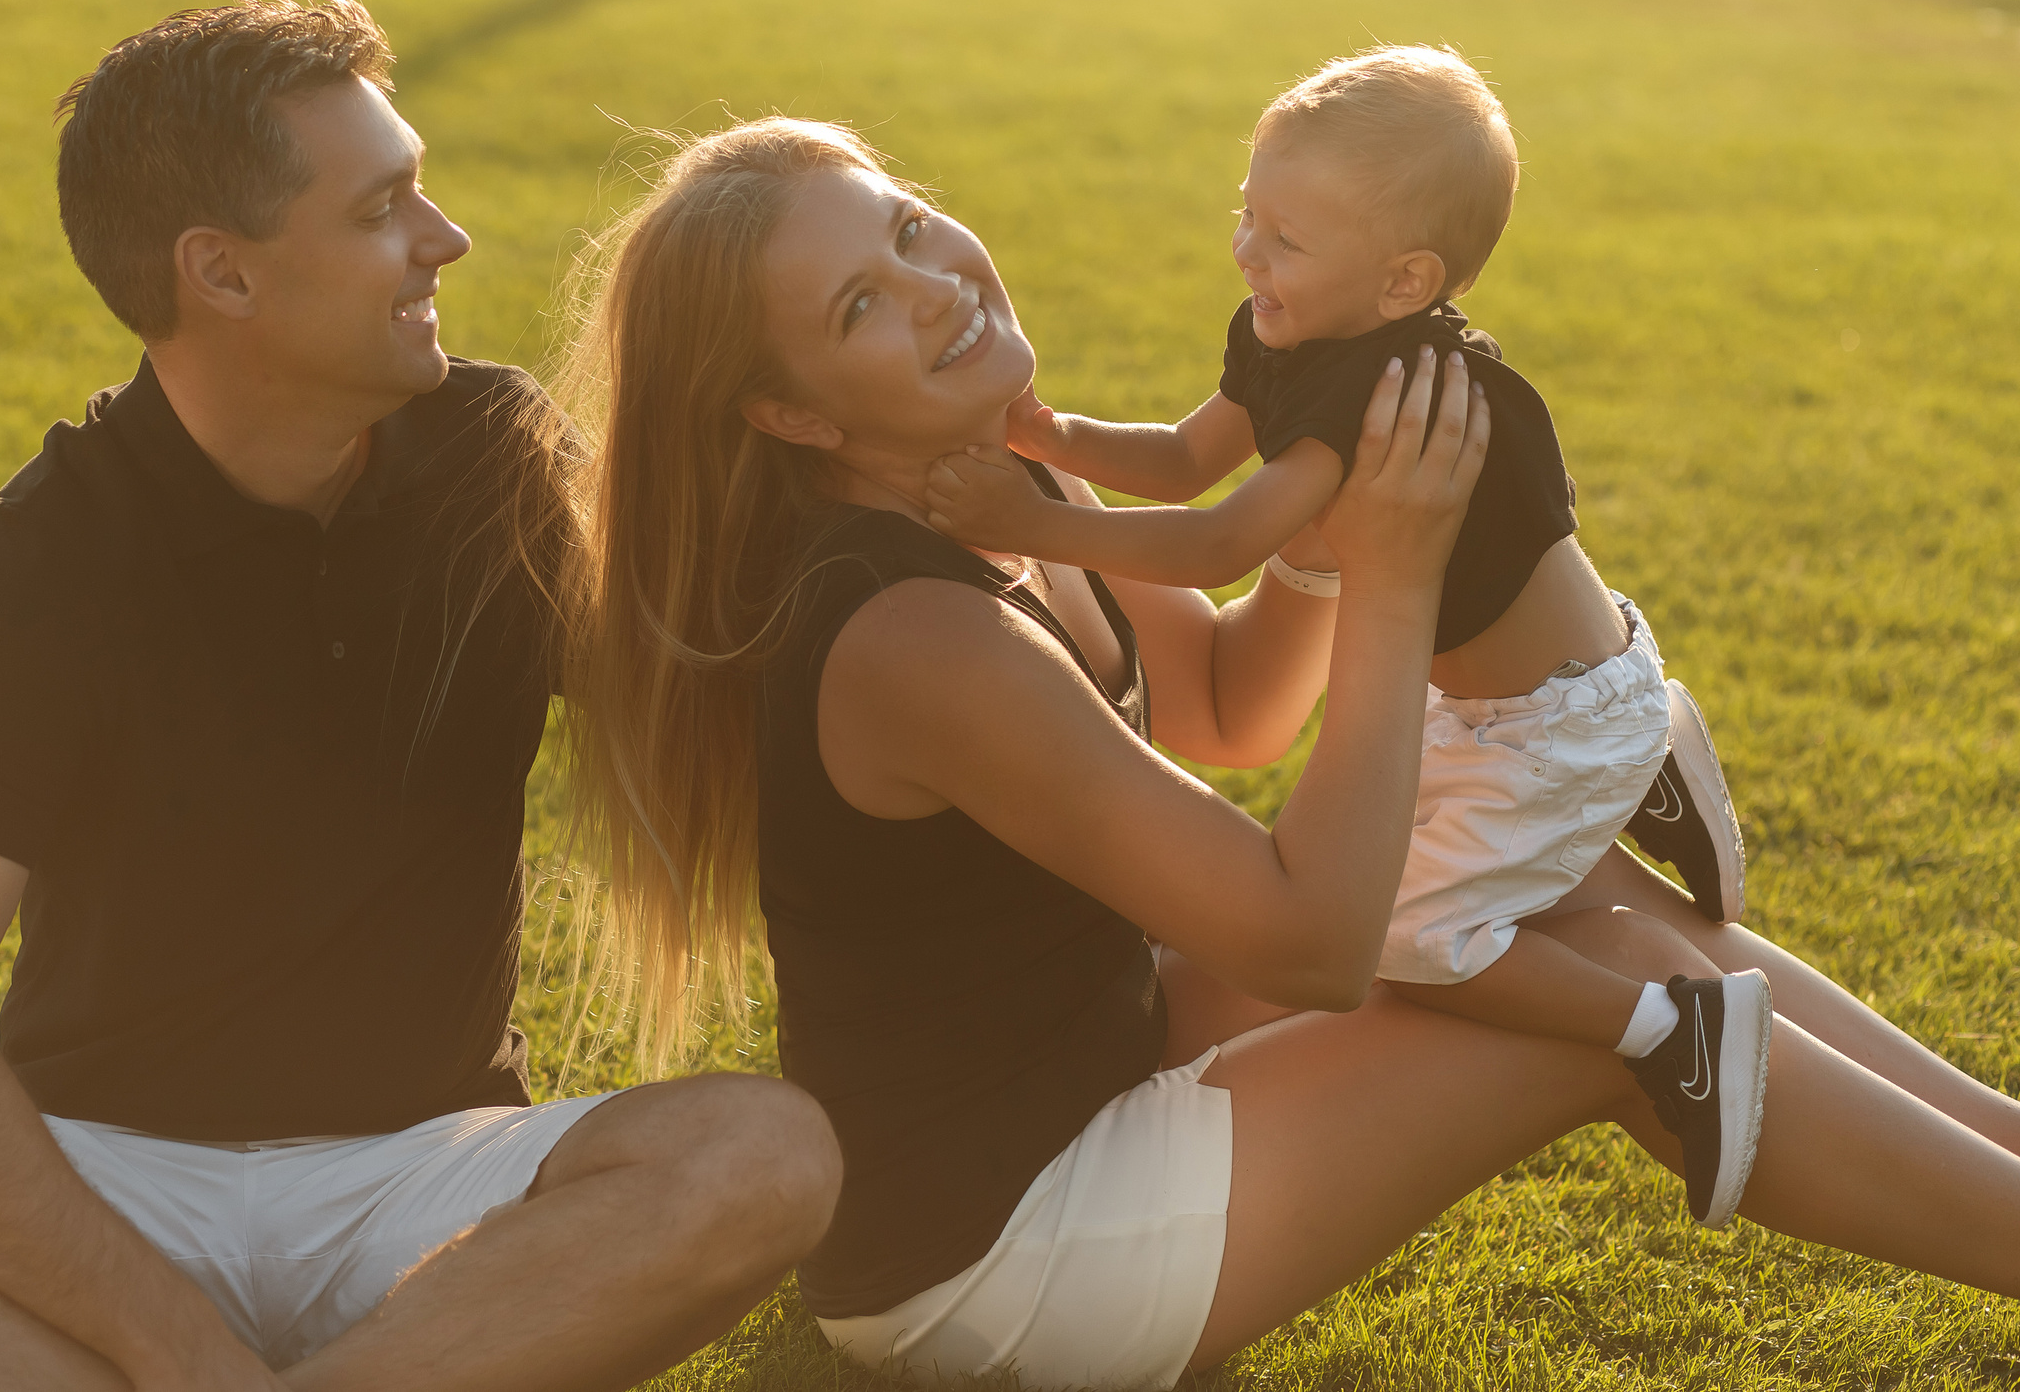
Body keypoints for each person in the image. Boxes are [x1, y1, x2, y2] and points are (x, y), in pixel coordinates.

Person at [563, 115, 2020, 1391]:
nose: (943, 279)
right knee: (1621, 1015)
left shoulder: (1013, 476)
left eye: (909, 223)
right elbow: (1318, 938)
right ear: (795, 411)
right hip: (995, 1251)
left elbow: (1228, 702)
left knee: (1580, 890)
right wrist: (1394, 578)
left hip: (1103, 1052)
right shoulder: (907, 635)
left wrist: (1321, 546)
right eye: (864, 301)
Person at [0, 0, 840, 1392]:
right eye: (385, 208)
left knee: (763, 1150)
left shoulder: (496, 464)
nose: (446, 239)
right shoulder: (46, 555)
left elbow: (724, 700)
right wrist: (176, 1343)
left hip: (425, 1187)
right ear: (224, 273)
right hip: (106, 1183)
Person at [917, 45, 1765, 1225]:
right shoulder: (1288, 332)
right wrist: (1055, 440)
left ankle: (1673, 1025)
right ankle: (1647, 751)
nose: (1245, 252)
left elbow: (1222, 545)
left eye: (1285, 238)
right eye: (1246, 215)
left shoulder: (1377, 389)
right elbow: (1181, 460)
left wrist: (1026, 520)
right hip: (1512, 692)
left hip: (1544, 723)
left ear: (1401, 281)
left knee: (1409, 933)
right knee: (1411, 854)